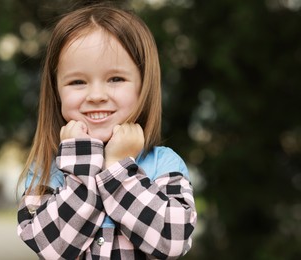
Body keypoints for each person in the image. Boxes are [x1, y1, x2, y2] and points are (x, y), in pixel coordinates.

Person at [17, 3, 197, 259]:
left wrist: (119, 169)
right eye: (77, 82)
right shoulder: (46, 170)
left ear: (142, 85)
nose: (97, 95)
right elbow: (53, 248)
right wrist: (81, 163)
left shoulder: (163, 164)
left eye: (115, 79)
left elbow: (174, 240)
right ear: (56, 91)